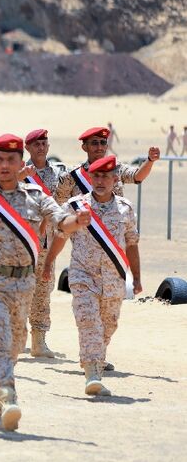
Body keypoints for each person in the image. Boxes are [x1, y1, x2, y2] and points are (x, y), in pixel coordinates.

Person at [0, 133, 88, 431]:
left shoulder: (36, 196)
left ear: (19, 163)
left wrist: (77, 222)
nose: (4, 165)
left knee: (14, 345)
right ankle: (9, 395)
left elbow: (60, 220)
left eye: (10, 160)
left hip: (23, 283)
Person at [42, 155, 141, 397]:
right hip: (82, 276)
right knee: (89, 322)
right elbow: (61, 235)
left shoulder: (125, 208)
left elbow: (132, 244)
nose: (100, 181)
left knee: (108, 324)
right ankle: (93, 373)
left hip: (114, 277)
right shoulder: (76, 206)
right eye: (96, 175)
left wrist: (137, 278)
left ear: (114, 178)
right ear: (89, 177)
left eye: (106, 176)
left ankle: (94, 356)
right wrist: (48, 264)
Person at [22, 129, 66, 358]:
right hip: (22, 243)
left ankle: (39, 341)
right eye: (36, 144)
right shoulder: (20, 173)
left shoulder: (59, 173)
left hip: (48, 242)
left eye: (44, 143)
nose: (40, 147)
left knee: (43, 290)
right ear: (27, 148)